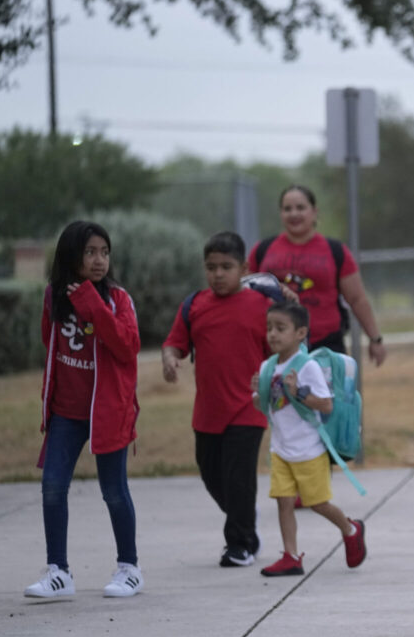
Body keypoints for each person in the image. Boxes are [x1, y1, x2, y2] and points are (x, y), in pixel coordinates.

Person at [24, 220, 144, 600]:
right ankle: (58, 572)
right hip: (66, 413)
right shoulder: (52, 297)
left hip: (109, 411)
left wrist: (93, 304)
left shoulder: (118, 300)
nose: (99, 260)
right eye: (90, 252)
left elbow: (127, 347)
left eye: (104, 253)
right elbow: (50, 342)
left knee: (113, 490)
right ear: (71, 256)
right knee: (53, 487)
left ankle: (129, 568)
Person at [162, 232, 285, 568]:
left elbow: (282, 351)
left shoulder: (263, 307)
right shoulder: (194, 305)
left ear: (244, 268)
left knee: (238, 477)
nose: (217, 274)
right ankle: (245, 520)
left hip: (248, 408)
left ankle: (239, 544)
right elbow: (175, 343)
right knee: (211, 475)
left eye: (226, 267)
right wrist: (170, 358)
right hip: (208, 411)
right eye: (211, 267)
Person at [253, 301, 368, 577]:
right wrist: (258, 394)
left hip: (309, 450)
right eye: (269, 328)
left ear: (300, 333)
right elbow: (265, 407)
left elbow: (326, 406)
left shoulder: (307, 367)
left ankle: (351, 529)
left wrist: (299, 392)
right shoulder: (268, 366)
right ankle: (291, 556)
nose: (273, 334)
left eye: (281, 328)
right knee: (283, 501)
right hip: (281, 449)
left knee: (318, 503)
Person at [248, 185, 387, 366]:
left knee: (323, 396)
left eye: (300, 207)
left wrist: (375, 339)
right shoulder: (263, 250)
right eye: (287, 209)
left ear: (314, 212)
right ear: (280, 213)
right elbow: (245, 295)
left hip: (325, 347)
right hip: (274, 349)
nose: (294, 214)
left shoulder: (335, 251)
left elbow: (357, 298)